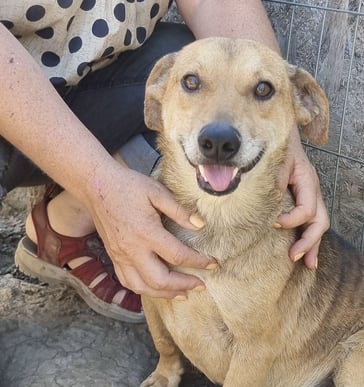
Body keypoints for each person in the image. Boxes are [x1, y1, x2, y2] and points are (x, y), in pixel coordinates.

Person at [0, 0, 329, 323]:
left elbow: (214, 6)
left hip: (82, 78)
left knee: (194, 52)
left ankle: (67, 218)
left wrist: (284, 136)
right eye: (194, 84)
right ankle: (84, 200)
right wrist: (98, 183)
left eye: (262, 90)